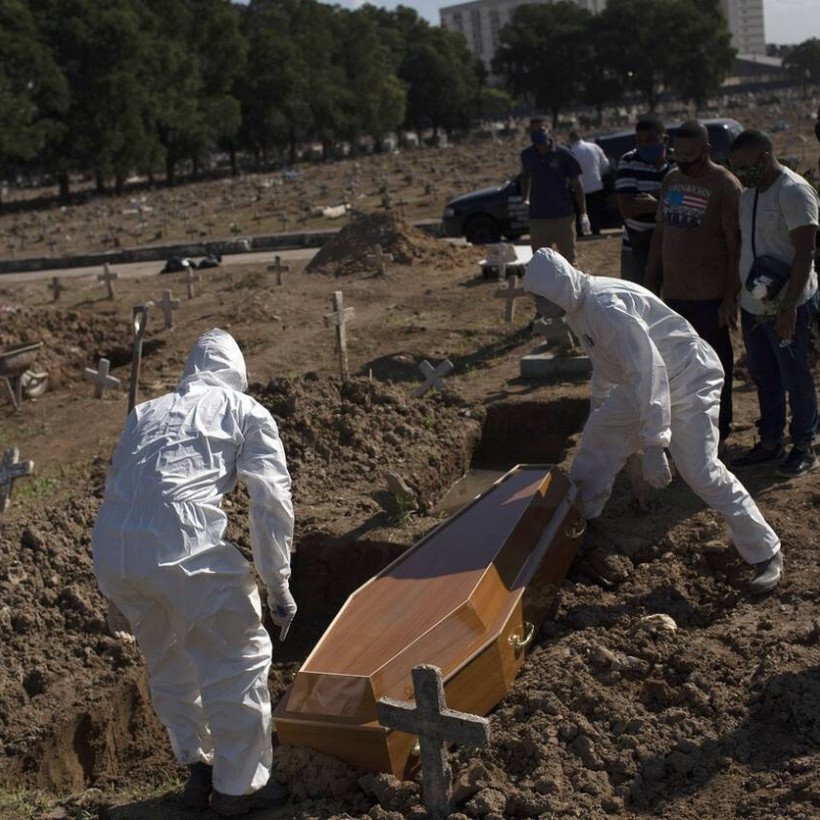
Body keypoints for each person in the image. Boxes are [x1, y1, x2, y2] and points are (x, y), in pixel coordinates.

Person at [92, 329, 296, 817]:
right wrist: (277, 583)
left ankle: (198, 767)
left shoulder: (145, 412)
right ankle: (238, 789)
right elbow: (270, 501)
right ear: (237, 373)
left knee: (170, 662)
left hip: (114, 547)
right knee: (236, 659)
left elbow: (123, 489)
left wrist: (114, 590)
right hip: (183, 544)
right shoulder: (243, 410)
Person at [523, 248, 783, 594]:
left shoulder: (606, 307)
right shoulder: (577, 307)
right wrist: (598, 409)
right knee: (599, 440)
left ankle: (765, 552)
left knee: (700, 470)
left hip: (688, 378)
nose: (542, 307)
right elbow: (606, 365)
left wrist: (655, 444)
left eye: (544, 299)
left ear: (559, 287)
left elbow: (650, 370)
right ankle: (578, 526)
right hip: (641, 385)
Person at [728, 129, 820, 477]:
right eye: (735, 167)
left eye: (745, 166)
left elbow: (804, 253)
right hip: (754, 303)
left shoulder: (793, 191)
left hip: (787, 304)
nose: (740, 173)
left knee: (795, 375)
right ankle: (770, 442)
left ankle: (804, 445)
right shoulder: (749, 194)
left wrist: (789, 306)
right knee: (764, 375)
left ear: (765, 158)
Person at [645, 120, 741, 449]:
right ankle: (685, 433)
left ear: (706, 150)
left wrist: (729, 299)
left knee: (714, 368)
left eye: (690, 154)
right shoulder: (672, 180)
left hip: (710, 298)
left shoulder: (725, 185)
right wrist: (650, 282)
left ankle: (718, 432)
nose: (684, 161)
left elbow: (735, 247)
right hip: (674, 296)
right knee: (677, 369)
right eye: (678, 154)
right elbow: (661, 233)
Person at [616, 116, 674, 284]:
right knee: (636, 294)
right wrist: (665, 198)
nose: (645, 146)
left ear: (665, 140)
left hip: (672, 244)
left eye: (650, 141)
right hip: (636, 245)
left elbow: (684, 204)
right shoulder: (629, 161)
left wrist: (654, 204)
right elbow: (627, 209)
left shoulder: (678, 161)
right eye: (640, 141)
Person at [521, 117, 588, 262]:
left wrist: (583, 213)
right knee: (541, 263)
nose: (537, 133)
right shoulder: (527, 155)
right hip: (538, 218)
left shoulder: (563, 153)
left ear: (548, 131)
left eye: (541, 129)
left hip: (563, 217)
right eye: (533, 131)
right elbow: (525, 178)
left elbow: (577, 184)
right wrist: (525, 199)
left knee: (569, 261)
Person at [569, 129, 611, 236]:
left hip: (579, 189)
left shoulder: (571, 152)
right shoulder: (594, 147)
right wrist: (598, 175)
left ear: (571, 140)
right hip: (596, 185)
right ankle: (596, 230)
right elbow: (605, 165)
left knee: (580, 212)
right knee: (595, 211)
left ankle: (580, 232)